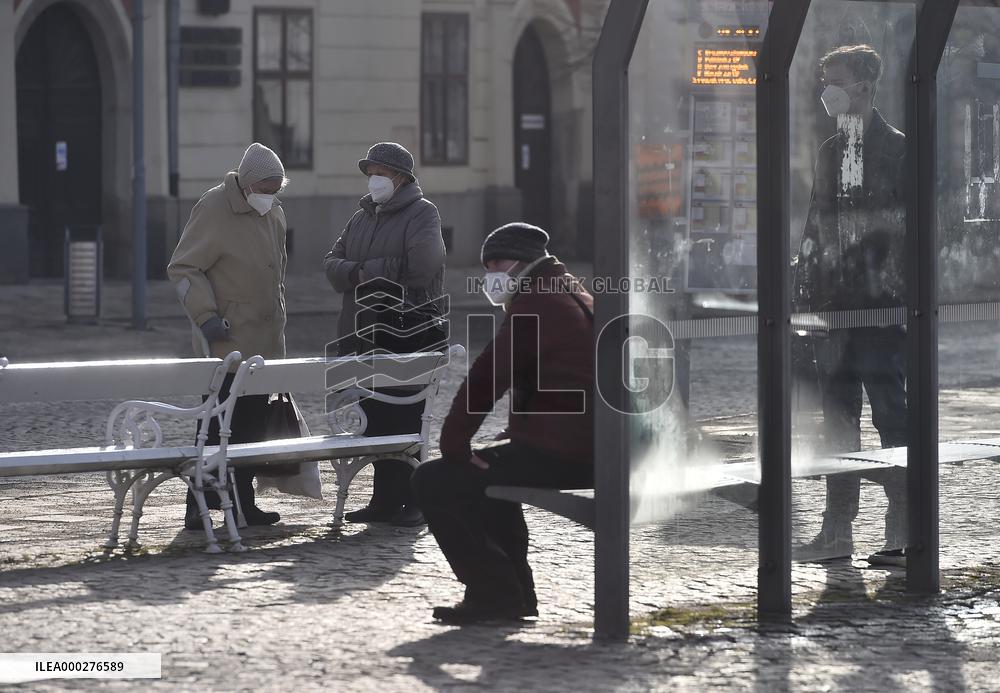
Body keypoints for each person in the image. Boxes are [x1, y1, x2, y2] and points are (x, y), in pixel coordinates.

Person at [411, 223, 594, 624]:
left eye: (498, 263)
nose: (491, 273)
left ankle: (497, 594)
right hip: (590, 446)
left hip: (568, 452)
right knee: (489, 477)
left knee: (434, 479)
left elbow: (488, 376)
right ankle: (513, 595)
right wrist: (517, 432)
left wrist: (455, 445)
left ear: (523, 262)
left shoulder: (538, 303)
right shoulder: (568, 291)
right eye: (487, 265)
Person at [792, 45, 907, 566]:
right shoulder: (829, 150)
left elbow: (905, 230)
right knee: (837, 421)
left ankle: (903, 528)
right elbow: (817, 225)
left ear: (863, 85)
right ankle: (837, 529)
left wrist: (895, 293)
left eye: (834, 81)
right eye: (824, 81)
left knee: (890, 416)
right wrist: (806, 288)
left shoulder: (898, 149)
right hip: (835, 307)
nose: (826, 92)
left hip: (881, 308)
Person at [323, 142, 446, 527]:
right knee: (376, 419)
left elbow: (422, 267)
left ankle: (416, 501)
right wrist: (360, 271)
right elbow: (331, 264)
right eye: (370, 172)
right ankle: (385, 500)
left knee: (406, 420)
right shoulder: (361, 216)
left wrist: (361, 271)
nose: (373, 179)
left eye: (380, 172)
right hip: (362, 334)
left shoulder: (423, 212)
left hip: (407, 333)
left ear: (401, 177)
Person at [168, 142, 289, 530]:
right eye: (266, 190)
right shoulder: (214, 207)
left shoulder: (273, 212)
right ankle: (198, 506)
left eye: (276, 190)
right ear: (248, 184)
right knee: (214, 427)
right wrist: (205, 316)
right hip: (225, 341)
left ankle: (242, 503)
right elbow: (184, 267)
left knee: (251, 428)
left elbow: (277, 273)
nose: (271, 197)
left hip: (264, 344)